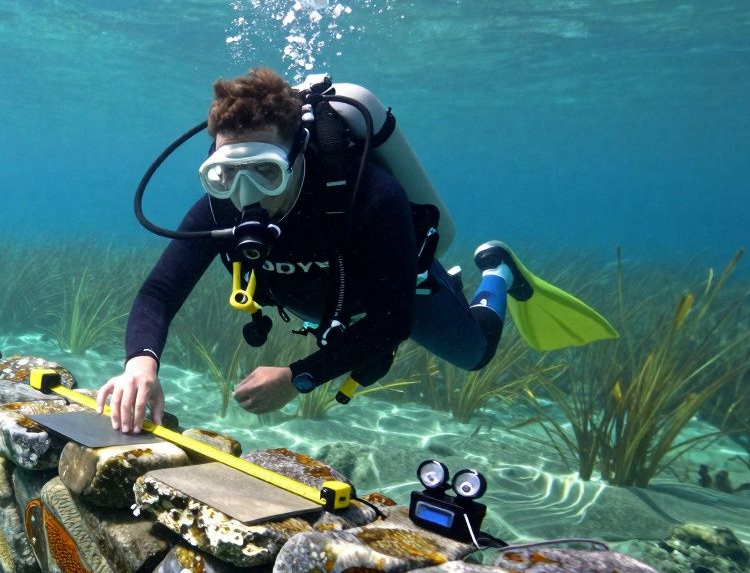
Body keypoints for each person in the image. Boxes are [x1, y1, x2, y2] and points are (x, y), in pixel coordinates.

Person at [97, 67, 614, 433]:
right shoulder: (220, 208)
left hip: (391, 289)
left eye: (266, 172)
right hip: (319, 301)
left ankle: (495, 274)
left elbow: (392, 323)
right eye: (225, 174)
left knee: (473, 354)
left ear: (296, 156)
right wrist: (141, 364)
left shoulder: (367, 197)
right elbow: (160, 292)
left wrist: (298, 377)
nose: (246, 195)